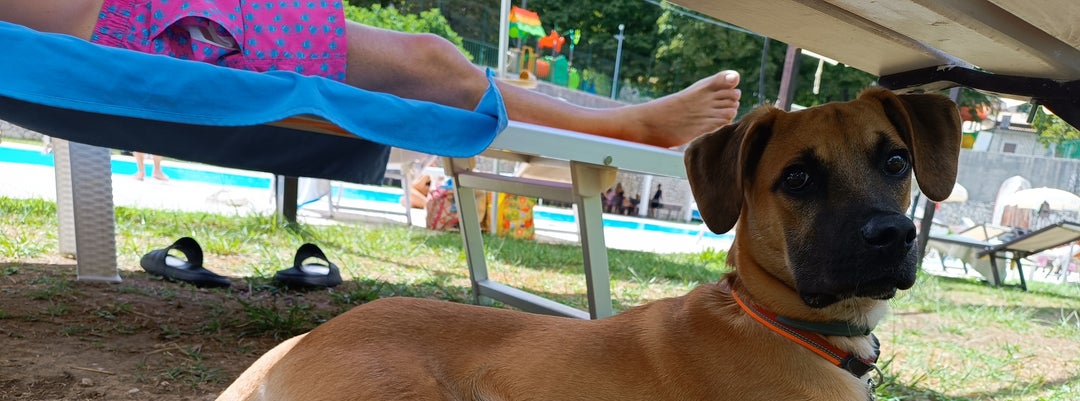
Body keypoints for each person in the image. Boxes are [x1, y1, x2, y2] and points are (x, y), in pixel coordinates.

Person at [3, 1, 741, 150]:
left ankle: (625, 121)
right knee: (432, 63)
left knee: (434, 63)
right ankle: (628, 124)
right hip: (152, 25)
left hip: (146, 16)